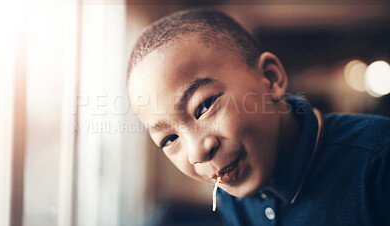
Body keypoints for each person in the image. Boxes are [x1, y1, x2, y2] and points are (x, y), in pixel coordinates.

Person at [126, 8, 390, 225]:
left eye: (204, 106)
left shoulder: (378, 163)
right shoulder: (231, 190)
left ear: (270, 79)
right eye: (169, 139)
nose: (197, 153)